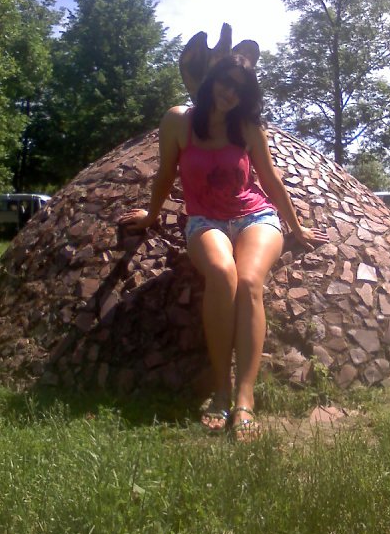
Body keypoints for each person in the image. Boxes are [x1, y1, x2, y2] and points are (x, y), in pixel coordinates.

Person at [119, 54, 329, 441]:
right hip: (205, 221)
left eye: (240, 89)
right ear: (212, 79)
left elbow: (270, 180)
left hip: (255, 218)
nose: (230, 93)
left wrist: (297, 227)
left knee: (249, 281)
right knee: (221, 273)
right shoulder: (178, 120)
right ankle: (221, 389)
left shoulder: (247, 127)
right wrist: (151, 215)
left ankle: (245, 398)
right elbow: (165, 173)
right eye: (225, 81)